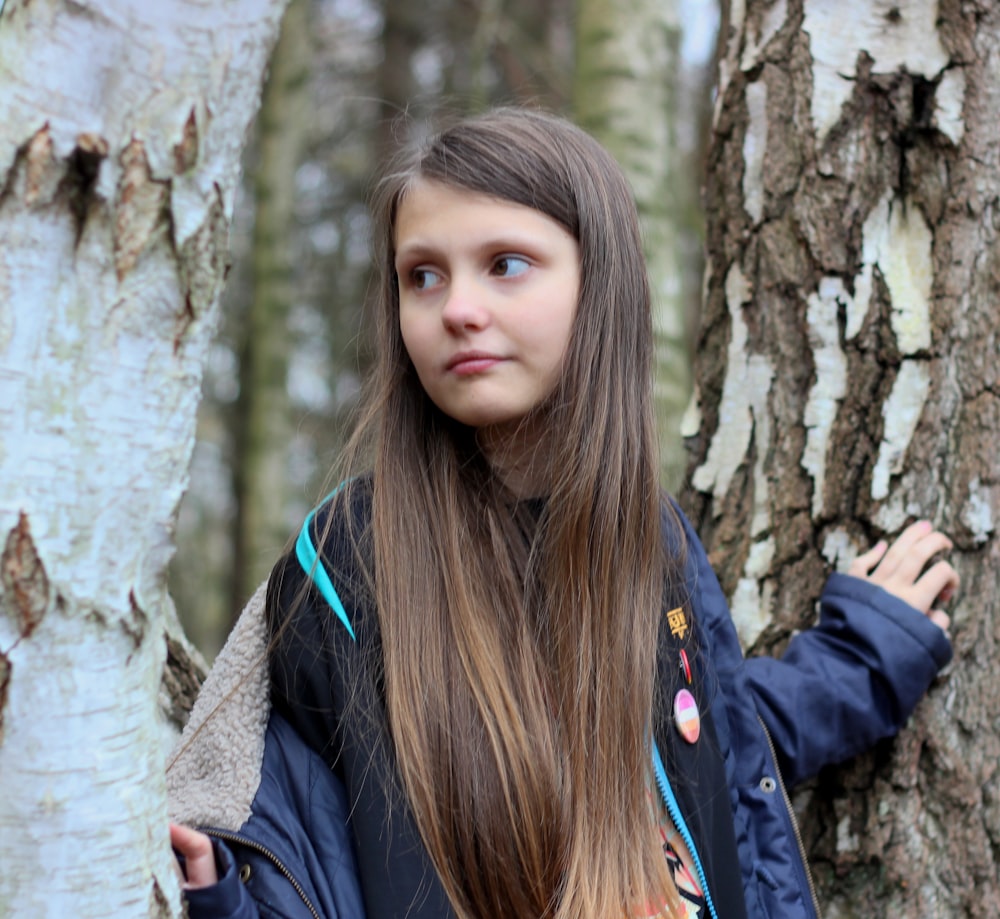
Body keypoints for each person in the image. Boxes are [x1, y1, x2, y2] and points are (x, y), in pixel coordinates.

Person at [167, 108, 958, 919]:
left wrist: (860, 660)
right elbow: (288, 845)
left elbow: (701, 750)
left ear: (600, 282)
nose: (457, 309)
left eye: (505, 264)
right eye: (422, 275)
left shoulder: (651, 540)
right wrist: (213, 899)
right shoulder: (348, 567)